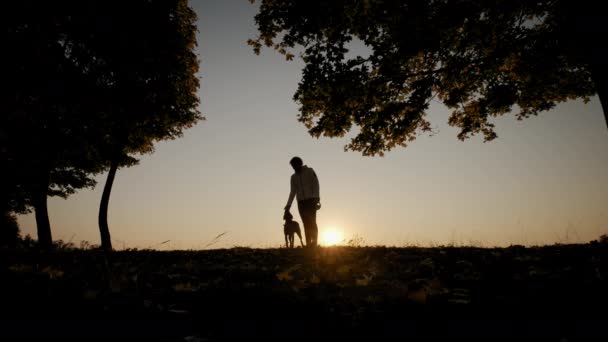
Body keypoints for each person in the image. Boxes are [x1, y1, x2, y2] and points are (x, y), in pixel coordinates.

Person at [284, 156, 320, 247]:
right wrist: (288, 205)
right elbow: (292, 192)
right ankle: (308, 244)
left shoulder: (310, 171)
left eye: (294, 166)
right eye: (292, 167)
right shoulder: (293, 177)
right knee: (305, 223)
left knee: (312, 221)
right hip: (301, 202)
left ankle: (314, 243)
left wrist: (317, 197)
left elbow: (316, 184)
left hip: (311, 200)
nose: (293, 168)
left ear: (299, 164)